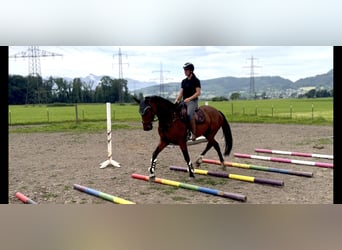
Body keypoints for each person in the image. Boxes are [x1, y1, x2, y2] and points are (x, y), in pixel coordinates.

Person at [175, 62, 201, 141]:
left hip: (193, 101)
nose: (185, 71)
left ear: (191, 71)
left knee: (189, 114)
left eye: (186, 70)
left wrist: (189, 99)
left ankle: (194, 133)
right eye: (184, 70)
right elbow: (181, 93)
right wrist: (176, 101)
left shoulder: (196, 80)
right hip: (184, 101)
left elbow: (198, 93)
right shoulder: (184, 81)